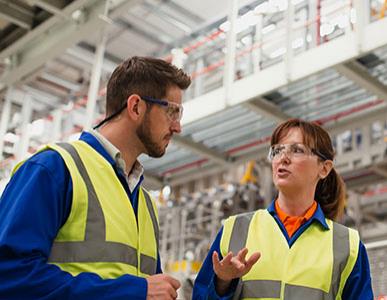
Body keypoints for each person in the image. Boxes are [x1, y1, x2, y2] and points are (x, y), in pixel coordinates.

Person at [0, 56, 191, 299]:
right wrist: (131, 291)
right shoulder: (55, 168)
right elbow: (8, 276)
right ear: (135, 107)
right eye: (172, 112)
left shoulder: (145, 203)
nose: (177, 127)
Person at [193, 118, 373, 300]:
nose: (283, 158)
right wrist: (222, 282)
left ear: (324, 168)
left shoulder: (347, 245)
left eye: (297, 150)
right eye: (277, 150)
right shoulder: (235, 230)